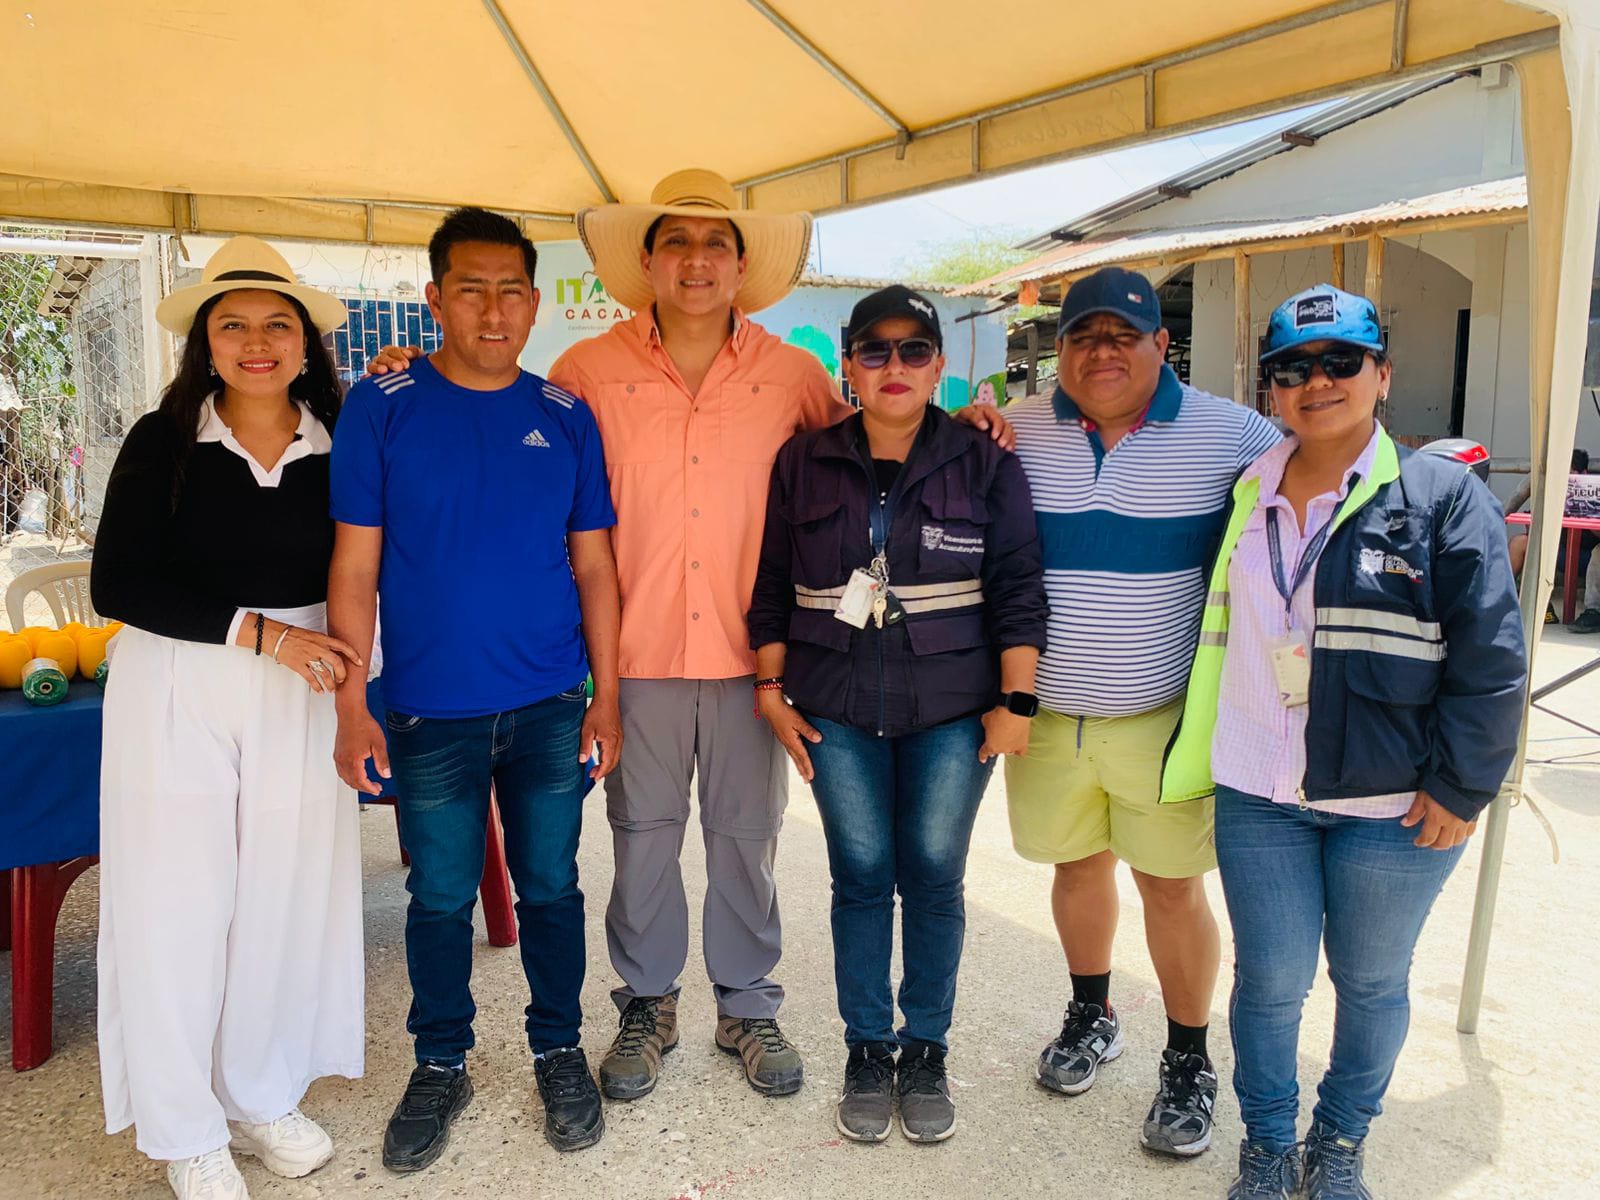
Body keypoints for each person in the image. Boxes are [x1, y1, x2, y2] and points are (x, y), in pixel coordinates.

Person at [367, 169, 1013, 1104]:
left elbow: (882, 437)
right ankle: (647, 1002)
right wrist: (408, 368)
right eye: (677, 241)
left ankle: (746, 1003)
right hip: (636, 657)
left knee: (747, 837)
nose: (697, 260)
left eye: (716, 244)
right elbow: (500, 415)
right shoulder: (587, 373)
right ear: (648, 260)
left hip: (759, 660)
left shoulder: (792, 376)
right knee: (640, 837)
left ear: (742, 266)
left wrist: (972, 423)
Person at [1160, 285, 1526, 1199]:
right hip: (1259, 791)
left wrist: (1464, 786)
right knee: (1269, 983)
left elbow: (1492, 657)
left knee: (1370, 983)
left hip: (1393, 803)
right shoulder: (1244, 492)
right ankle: (1268, 1145)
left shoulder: (1443, 499)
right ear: (1269, 388)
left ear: (1382, 375)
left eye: (1340, 362)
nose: (1315, 381)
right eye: (1291, 368)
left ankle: (1341, 1140)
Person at [326, 208, 622, 1170]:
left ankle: (558, 1048)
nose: (493, 312)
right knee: (440, 896)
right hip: (427, 711)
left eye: (511, 292)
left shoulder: (565, 416)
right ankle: (441, 1060)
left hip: (549, 705)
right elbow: (354, 565)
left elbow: (595, 567)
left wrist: (607, 696)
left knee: (551, 887)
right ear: (434, 299)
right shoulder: (383, 406)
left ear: (535, 303)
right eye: (471, 290)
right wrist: (352, 704)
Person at [91, 236, 364, 1200]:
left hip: (304, 685)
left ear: (306, 343)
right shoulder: (164, 440)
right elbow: (117, 584)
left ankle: (257, 1091)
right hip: (180, 681)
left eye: (277, 324)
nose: (257, 342)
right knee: (176, 904)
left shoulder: (344, 438)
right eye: (234, 324)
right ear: (205, 342)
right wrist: (260, 635)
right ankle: (185, 1128)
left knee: (281, 901)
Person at [749, 286, 1048, 1142]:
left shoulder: (983, 459)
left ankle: (924, 1050)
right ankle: (866, 1048)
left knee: (933, 873)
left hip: (953, 710)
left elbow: (1020, 586)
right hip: (836, 705)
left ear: (939, 364)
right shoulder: (803, 461)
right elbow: (770, 584)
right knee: (861, 873)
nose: (895, 366)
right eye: (874, 350)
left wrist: (1016, 701)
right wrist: (769, 691)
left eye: (914, 349)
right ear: (848, 364)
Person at [1002, 266, 1281, 1158]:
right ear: (1061, 348)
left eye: (1123, 336)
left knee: (1170, 885)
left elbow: (1314, 478)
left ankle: (1189, 1058)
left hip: (1163, 717)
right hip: (1047, 718)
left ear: (1163, 344)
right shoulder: (1016, 428)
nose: (1102, 352)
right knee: (1077, 867)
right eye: (1083, 336)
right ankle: (1093, 1014)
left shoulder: (1233, 434)